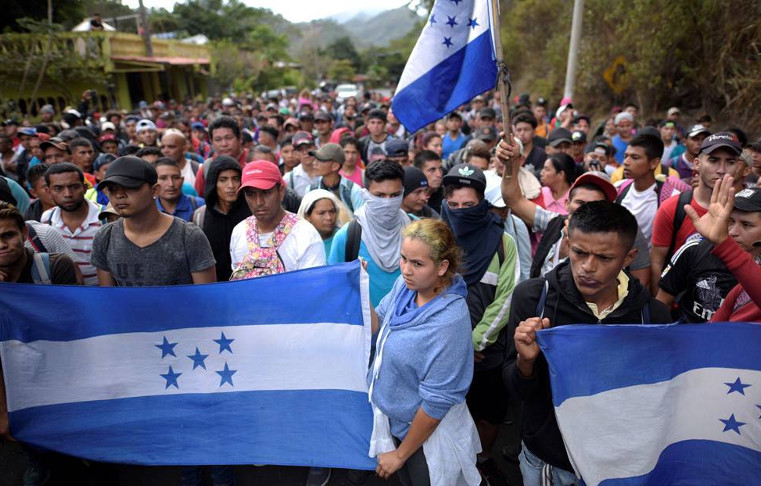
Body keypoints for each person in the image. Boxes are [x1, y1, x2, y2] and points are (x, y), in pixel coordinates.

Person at [503, 201, 671, 485]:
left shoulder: (651, 316)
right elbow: (515, 390)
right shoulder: (533, 299)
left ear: (628, 257)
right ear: (567, 244)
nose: (587, 268)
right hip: (550, 460)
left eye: (604, 258)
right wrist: (525, 362)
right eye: (579, 253)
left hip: (619, 464)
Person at [368, 218, 480, 486]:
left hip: (426, 442)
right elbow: (379, 328)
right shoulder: (404, 288)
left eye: (417, 264)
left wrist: (400, 455)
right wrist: (359, 290)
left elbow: (437, 401)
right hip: (396, 424)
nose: (406, 270)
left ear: (442, 267)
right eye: (404, 258)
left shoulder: (449, 321)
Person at [440, 163, 519, 484]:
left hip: (487, 354)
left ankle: (481, 460)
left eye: (469, 205)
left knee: (488, 414)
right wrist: (454, 345)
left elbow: (507, 298)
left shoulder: (503, 242)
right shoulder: (437, 239)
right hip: (444, 351)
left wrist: (473, 342)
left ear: (482, 203)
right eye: (454, 205)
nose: (460, 212)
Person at [498, 141, 652, 286]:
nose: (586, 210)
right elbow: (513, 199)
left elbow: (640, 284)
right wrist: (511, 163)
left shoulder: (624, 235)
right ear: (567, 204)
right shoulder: (555, 223)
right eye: (580, 203)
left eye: (595, 205)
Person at [91, 155, 217, 286]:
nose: (119, 195)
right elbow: (108, 298)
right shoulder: (105, 237)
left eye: (130, 187)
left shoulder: (188, 236)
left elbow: (206, 298)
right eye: (112, 189)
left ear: (154, 190)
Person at [650, 132, 746, 291]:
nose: (721, 170)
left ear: (738, 166)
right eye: (713, 160)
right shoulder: (673, 208)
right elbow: (657, 261)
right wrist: (659, 308)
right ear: (696, 163)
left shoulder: (747, 212)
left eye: (730, 162)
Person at [329, 160, 411, 307]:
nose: (387, 202)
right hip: (365, 325)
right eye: (379, 195)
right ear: (365, 194)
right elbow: (335, 289)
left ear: (403, 192)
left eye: (394, 195)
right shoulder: (347, 237)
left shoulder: (416, 230)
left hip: (410, 324)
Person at [682, 177, 761, 322]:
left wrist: (725, 245)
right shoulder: (740, 291)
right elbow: (714, 331)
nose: (733, 232)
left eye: (746, 224)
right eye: (730, 221)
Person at [229, 160, 325, 279]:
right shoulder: (239, 232)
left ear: (281, 192)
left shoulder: (304, 234)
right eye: (251, 194)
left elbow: (313, 285)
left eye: (266, 193)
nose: (259, 202)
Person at [41, 163, 103, 285]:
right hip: (65, 294)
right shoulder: (47, 219)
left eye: (74, 187)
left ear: (85, 188)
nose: (68, 194)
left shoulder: (105, 218)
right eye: (58, 188)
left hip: (100, 294)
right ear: (49, 192)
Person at [191, 156, 251, 282]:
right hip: (213, 289)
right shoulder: (199, 217)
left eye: (235, 179)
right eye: (223, 180)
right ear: (213, 183)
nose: (231, 185)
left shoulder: (252, 214)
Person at [193, 116, 250, 196]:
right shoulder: (207, 167)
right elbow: (199, 199)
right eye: (218, 139)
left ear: (239, 138)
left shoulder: (253, 159)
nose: (224, 144)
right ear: (211, 141)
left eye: (229, 138)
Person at [306, 143, 364, 214]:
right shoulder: (311, 190)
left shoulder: (354, 191)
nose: (314, 163)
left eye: (321, 160)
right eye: (315, 159)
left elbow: (360, 221)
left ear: (335, 166)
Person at [298, 189, 346, 255]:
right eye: (321, 213)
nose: (329, 217)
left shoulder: (346, 239)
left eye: (332, 211)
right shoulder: (299, 244)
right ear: (307, 217)